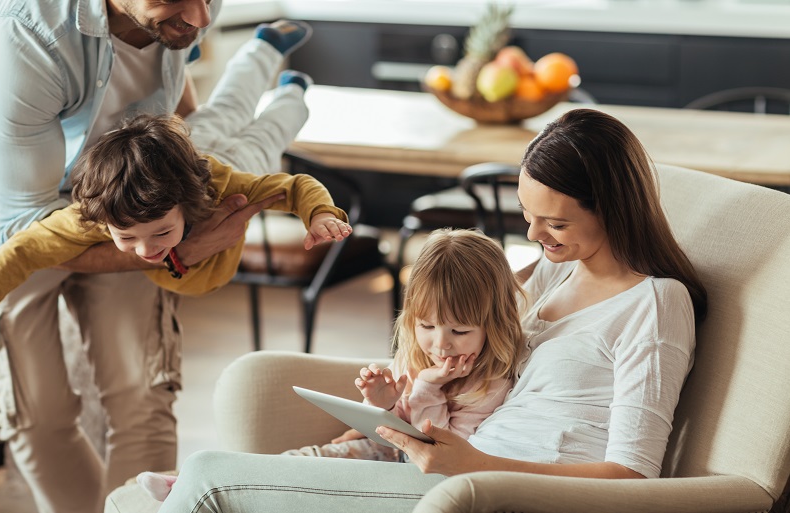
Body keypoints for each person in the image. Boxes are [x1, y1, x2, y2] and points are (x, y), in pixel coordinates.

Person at [147, 108, 708, 512]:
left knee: (208, 479)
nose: (535, 235)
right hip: (446, 469)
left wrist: (474, 466)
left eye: (555, 223)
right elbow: (445, 319)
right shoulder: (555, 268)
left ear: (611, 209)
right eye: (527, 214)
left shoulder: (656, 304)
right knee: (206, 476)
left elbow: (633, 475)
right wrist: (392, 413)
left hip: (495, 491)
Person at [0, 0, 314, 509]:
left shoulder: (179, 16)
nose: (202, 17)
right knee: (36, 413)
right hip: (9, 226)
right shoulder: (21, 28)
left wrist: (188, 163)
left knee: (142, 396)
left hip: (135, 203)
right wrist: (182, 251)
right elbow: (26, 227)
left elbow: (174, 93)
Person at [136, 228, 525, 501]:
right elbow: (400, 420)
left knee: (315, 467)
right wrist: (384, 403)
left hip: (407, 472)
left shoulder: (489, 383)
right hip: (385, 451)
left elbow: (434, 448)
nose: (440, 343)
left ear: (494, 323)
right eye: (426, 326)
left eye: (459, 330)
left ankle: (201, 482)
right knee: (308, 457)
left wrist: (427, 385)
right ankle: (189, 480)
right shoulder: (424, 353)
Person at [0, 113, 351, 350]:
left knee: (259, 128)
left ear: (186, 205)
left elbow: (296, 185)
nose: (145, 250)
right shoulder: (90, 215)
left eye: (161, 233)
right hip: (189, 161)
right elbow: (22, 250)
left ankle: (290, 89)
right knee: (217, 117)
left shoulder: (223, 187)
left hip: (227, 166)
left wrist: (318, 215)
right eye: (127, 238)